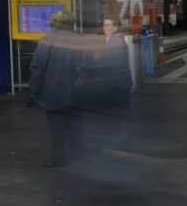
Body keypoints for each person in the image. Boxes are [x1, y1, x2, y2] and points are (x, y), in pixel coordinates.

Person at [29, 11, 85, 168]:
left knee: (57, 127)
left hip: (54, 91)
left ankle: (59, 159)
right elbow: (86, 66)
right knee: (76, 124)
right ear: (71, 22)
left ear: (53, 23)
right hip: (77, 91)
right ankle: (78, 155)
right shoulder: (80, 39)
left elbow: (38, 69)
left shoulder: (47, 40)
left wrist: (33, 92)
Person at [82, 15, 133, 151]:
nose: (105, 27)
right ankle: (120, 136)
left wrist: (94, 59)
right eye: (104, 25)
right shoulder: (110, 40)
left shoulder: (116, 41)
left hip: (116, 83)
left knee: (118, 110)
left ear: (115, 27)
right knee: (117, 110)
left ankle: (120, 139)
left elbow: (110, 63)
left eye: (109, 25)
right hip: (117, 82)